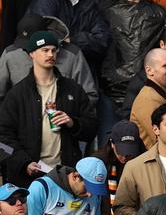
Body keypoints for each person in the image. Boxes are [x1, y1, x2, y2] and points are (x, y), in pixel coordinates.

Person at [0, 30, 96, 188]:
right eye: (44, 50)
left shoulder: (73, 89)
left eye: (53, 50)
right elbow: (3, 138)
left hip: (66, 173)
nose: (50, 54)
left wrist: (73, 123)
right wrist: (24, 162)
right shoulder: (17, 94)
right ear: (31, 53)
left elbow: (92, 127)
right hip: (30, 177)